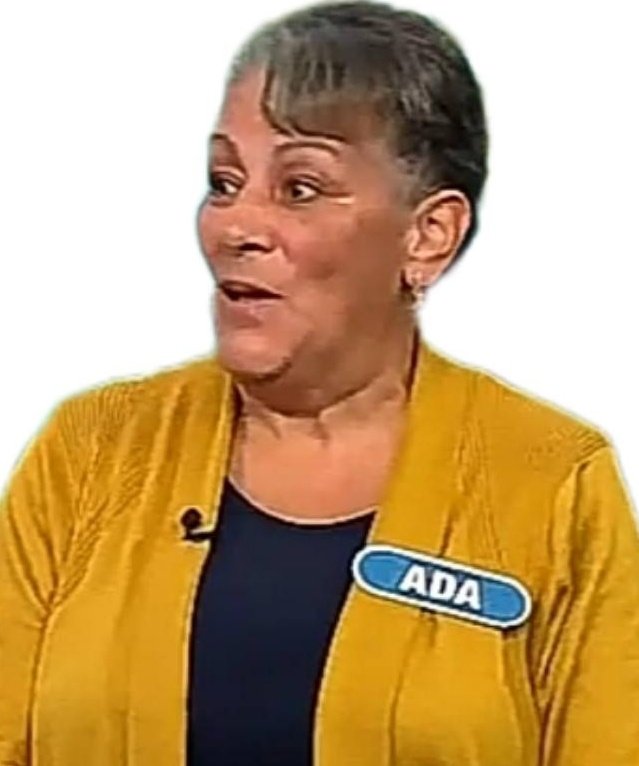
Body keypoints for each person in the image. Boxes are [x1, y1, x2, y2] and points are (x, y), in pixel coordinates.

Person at [1, 1, 638, 764]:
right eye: (223, 181)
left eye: (299, 187)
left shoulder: (553, 480)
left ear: (427, 235)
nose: (234, 226)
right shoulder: (90, 452)